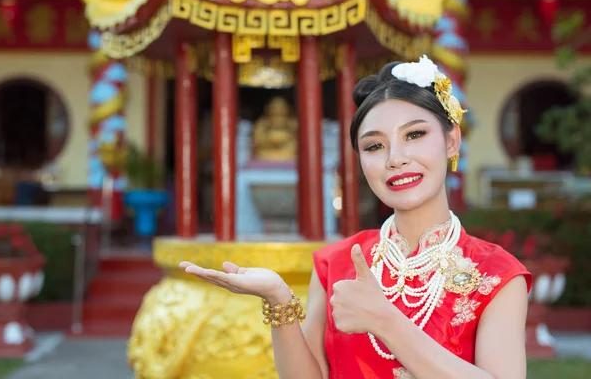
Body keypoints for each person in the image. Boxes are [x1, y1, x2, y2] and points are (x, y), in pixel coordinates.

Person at [180, 55, 532, 379]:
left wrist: (385, 321)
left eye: (415, 134)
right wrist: (279, 300)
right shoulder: (337, 264)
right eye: (374, 146)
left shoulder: (498, 275)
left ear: (452, 140)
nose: (396, 158)